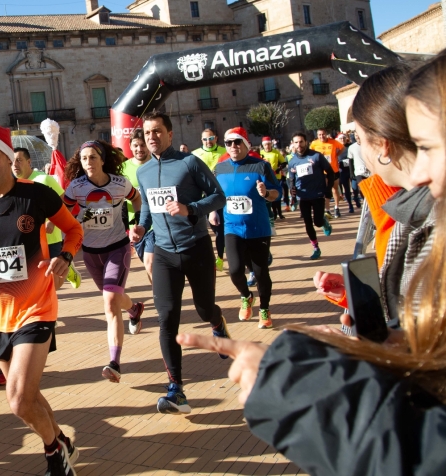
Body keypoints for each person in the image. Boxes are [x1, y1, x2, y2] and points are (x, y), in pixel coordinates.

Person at [176, 52, 446, 476]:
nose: (423, 172)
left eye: (428, 146)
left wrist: (291, 388)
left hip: (260, 233)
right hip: (234, 233)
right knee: (236, 272)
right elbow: (430, 344)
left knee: (261, 271)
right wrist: (370, 335)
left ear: (383, 144)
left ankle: (260, 304)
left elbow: (421, 455)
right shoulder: (413, 212)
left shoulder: (421, 216)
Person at [0, 122, 83, 476]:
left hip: (37, 306)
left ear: (9, 158)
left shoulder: (36, 195)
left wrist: (65, 257)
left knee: (19, 399)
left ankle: (55, 455)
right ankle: (62, 442)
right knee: (29, 397)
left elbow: (73, 229)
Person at [314, 62, 433, 330]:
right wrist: (359, 294)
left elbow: (420, 344)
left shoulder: (426, 225)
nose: (357, 147)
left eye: (358, 137)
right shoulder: (406, 212)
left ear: (383, 145)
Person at [128, 112, 228, 415]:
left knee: (203, 307)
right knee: (167, 317)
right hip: (164, 254)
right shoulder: (143, 173)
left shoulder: (189, 164)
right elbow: (146, 208)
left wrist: (190, 209)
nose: (152, 138)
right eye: (147, 134)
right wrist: (141, 228)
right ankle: (176, 390)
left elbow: (219, 197)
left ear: (170, 134)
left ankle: (217, 321)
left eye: (157, 132)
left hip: (195, 248)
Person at [63, 140, 144, 382]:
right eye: (84, 158)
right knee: (116, 299)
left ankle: (114, 362)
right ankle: (134, 309)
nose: (88, 162)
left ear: (102, 160)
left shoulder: (120, 184)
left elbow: (137, 198)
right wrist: (57, 224)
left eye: (93, 157)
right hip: (90, 252)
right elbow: (64, 209)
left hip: (117, 249)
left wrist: (136, 222)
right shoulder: (76, 187)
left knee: (109, 303)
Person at [213, 128, 281, 330]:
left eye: (237, 142)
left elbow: (278, 192)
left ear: (245, 144)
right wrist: (213, 211)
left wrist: (266, 192)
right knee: (234, 271)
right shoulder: (220, 168)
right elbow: (215, 194)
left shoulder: (261, 166)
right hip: (232, 227)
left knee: (260, 272)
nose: (233, 146)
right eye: (229, 143)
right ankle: (246, 296)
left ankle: (265, 309)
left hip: (257, 228)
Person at [12, 147, 80, 290]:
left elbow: (64, 201)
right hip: (28, 241)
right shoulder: (11, 184)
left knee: (53, 284)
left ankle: (68, 269)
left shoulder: (43, 179)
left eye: (19, 160)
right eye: (12, 161)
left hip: (50, 239)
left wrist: (52, 222)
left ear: (29, 161)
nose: (15, 164)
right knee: (36, 284)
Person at [287, 132, 335, 260]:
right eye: (296, 142)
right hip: (303, 196)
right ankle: (316, 248)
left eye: (301, 142)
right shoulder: (292, 162)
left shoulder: (316, 156)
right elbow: (291, 180)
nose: (299, 145)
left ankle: (324, 222)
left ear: (306, 142)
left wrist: (328, 189)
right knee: (307, 223)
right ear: (293, 144)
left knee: (317, 222)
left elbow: (330, 173)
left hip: (317, 194)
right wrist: (292, 196)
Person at [192, 129, 228, 270]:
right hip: (205, 197)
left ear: (216, 138)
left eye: (211, 138)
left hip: (224, 195)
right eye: (205, 139)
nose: (208, 141)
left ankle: (219, 258)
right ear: (201, 140)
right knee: (211, 229)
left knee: (221, 230)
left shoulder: (225, 152)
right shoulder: (195, 155)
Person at [124, 129, 155, 282]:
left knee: (151, 264)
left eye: (143, 145)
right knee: (147, 264)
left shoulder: (157, 164)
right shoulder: (123, 169)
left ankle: (162, 299)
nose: (140, 149)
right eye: (136, 145)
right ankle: (160, 293)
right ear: (130, 146)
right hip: (136, 226)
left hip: (156, 223)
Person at [310, 129, 343, 218]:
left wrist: (336, 155)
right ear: (317, 135)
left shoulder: (333, 142)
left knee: (335, 189)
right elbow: (310, 153)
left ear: (326, 134)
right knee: (325, 190)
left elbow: (342, 148)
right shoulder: (314, 144)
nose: (321, 136)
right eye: (319, 135)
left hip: (334, 169)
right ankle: (327, 210)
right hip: (322, 171)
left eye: (323, 134)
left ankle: (336, 208)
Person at [259, 136, 287, 220]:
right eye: (265, 145)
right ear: (263, 145)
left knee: (277, 194)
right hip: (265, 178)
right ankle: (273, 213)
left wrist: (278, 169)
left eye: (269, 144)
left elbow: (284, 162)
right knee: (268, 196)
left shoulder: (276, 152)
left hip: (276, 177)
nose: (267, 146)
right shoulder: (260, 153)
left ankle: (280, 213)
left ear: (271, 144)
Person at [335, 134, 362, 214]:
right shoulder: (336, 148)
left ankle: (356, 197)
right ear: (338, 139)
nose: (342, 139)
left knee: (355, 187)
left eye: (344, 138)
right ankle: (350, 205)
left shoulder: (350, 146)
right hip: (342, 171)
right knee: (346, 189)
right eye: (340, 138)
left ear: (346, 138)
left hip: (352, 170)